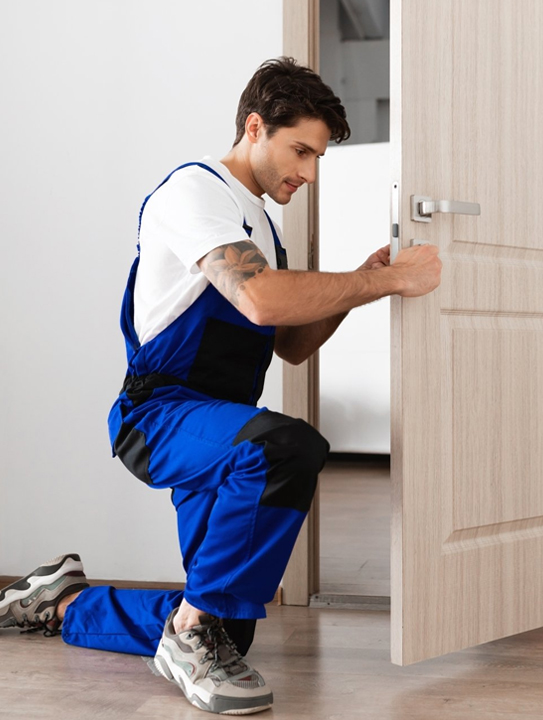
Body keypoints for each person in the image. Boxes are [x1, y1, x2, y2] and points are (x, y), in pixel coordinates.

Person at [0, 57, 441, 715]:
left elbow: (291, 344)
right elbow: (261, 300)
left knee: (225, 626)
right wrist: (389, 280)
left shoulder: (261, 224)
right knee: (288, 447)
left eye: (318, 158)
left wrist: (355, 286)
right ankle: (186, 634)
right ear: (255, 126)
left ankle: (61, 601)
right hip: (159, 415)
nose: (309, 172)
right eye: (301, 150)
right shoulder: (197, 193)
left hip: (220, 427)